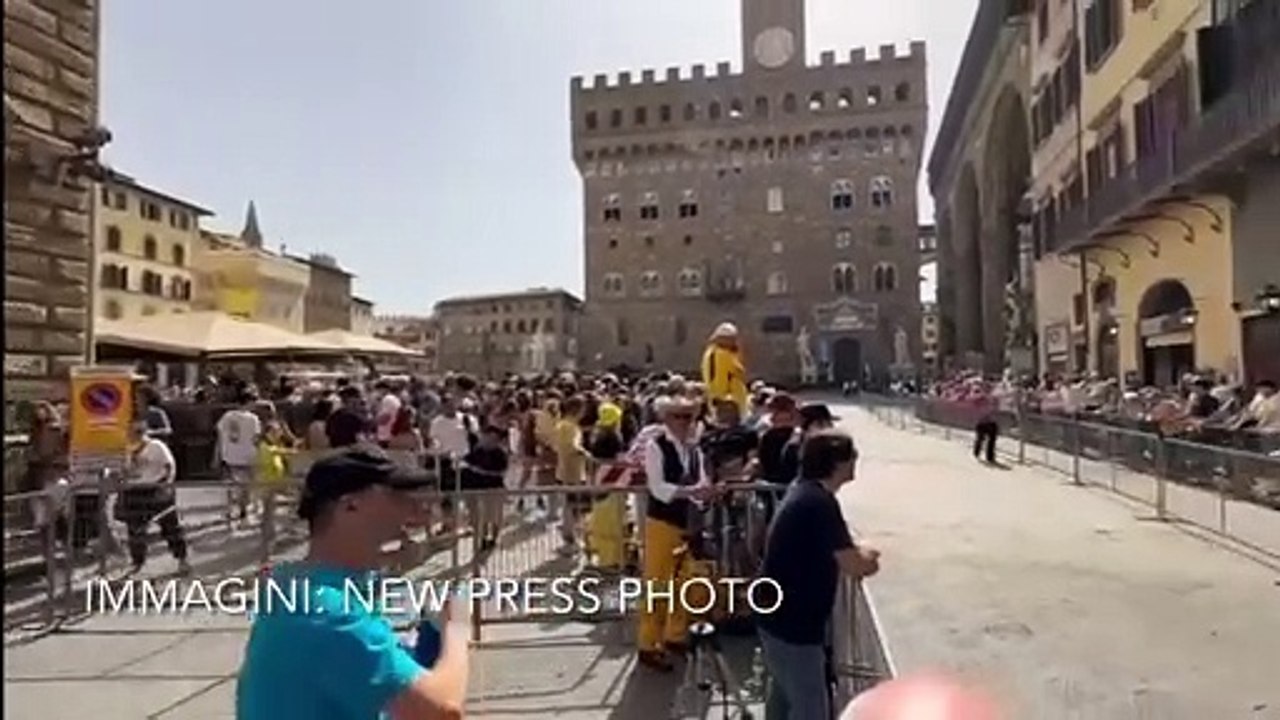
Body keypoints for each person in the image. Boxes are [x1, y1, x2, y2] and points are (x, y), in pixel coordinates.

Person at [236, 450, 470, 719]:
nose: (413, 507)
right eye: (396, 495)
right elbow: (441, 709)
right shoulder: (327, 612)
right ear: (350, 506)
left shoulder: (294, 583)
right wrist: (456, 628)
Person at [756, 430, 880, 720]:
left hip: (777, 617)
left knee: (784, 696)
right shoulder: (819, 503)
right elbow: (855, 564)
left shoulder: (805, 491)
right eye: (852, 456)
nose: (855, 462)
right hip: (794, 625)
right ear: (837, 463)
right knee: (810, 708)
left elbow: (836, 546)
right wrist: (871, 556)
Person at [636, 395, 717, 672]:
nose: (684, 422)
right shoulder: (656, 447)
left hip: (687, 523)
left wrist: (706, 492)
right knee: (658, 584)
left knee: (684, 582)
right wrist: (690, 492)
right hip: (662, 522)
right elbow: (658, 487)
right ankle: (648, 644)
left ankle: (675, 635)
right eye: (678, 416)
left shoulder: (695, 450)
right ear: (666, 419)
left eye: (689, 417)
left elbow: (701, 480)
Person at [117, 422, 191, 575]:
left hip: (156, 488)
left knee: (170, 527)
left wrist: (166, 486)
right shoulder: (124, 448)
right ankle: (137, 562)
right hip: (134, 490)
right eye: (131, 431)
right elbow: (120, 471)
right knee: (135, 530)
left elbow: (169, 465)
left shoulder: (156, 446)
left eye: (136, 431)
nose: (133, 434)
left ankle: (182, 560)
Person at [215, 391, 263, 522]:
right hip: (248, 455)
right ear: (249, 402)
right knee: (246, 485)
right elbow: (256, 438)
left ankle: (230, 509)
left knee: (231, 484)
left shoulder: (226, 416)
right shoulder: (253, 419)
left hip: (230, 455)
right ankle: (243, 509)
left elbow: (219, 435)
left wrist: (217, 454)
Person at [460, 425, 507, 551]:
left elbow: (501, 472)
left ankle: (495, 538)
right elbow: (465, 463)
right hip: (478, 489)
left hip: (494, 489)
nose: (489, 441)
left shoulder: (500, 453)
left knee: (494, 516)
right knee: (482, 517)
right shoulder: (477, 451)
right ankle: (483, 539)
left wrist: (480, 471)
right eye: (487, 437)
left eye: (493, 438)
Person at [700, 323, 748, 417]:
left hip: (715, 398)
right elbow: (740, 372)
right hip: (730, 400)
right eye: (731, 338)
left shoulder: (709, 353)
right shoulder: (724, 354)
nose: (734, 341)